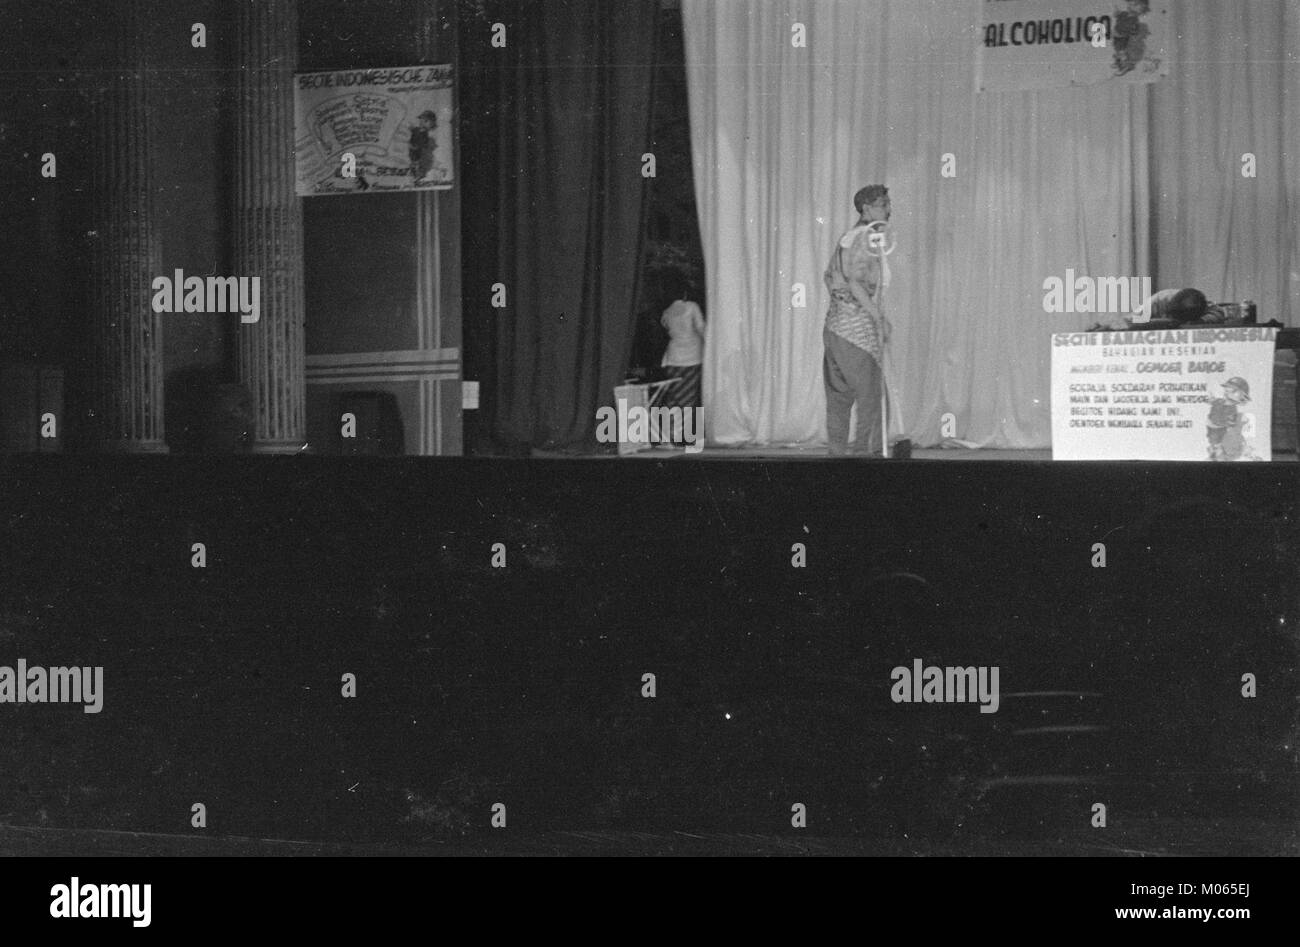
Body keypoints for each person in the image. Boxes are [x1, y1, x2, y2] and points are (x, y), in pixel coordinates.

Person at [823, 184, 899, 457]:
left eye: (888, 204)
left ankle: (838, 463)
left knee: (840, 399)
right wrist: (877, 318)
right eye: (883, 204)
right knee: (874, 402)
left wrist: (843, 309)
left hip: (836, 328)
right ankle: (868, 465)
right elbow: (855, 281)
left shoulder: (850, 237)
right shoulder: (865, 237)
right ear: (866, 208)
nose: (889, 210)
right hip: (856, 333)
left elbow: (829, 278)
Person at [658, 273, 705, 445]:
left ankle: (671, 434)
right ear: (685, 292)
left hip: (673, 357)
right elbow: (701, 328)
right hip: (692, 356)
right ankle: (679, 435)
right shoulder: (692, 307)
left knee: (674, 398)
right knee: (688, 398)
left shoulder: (667, 312)